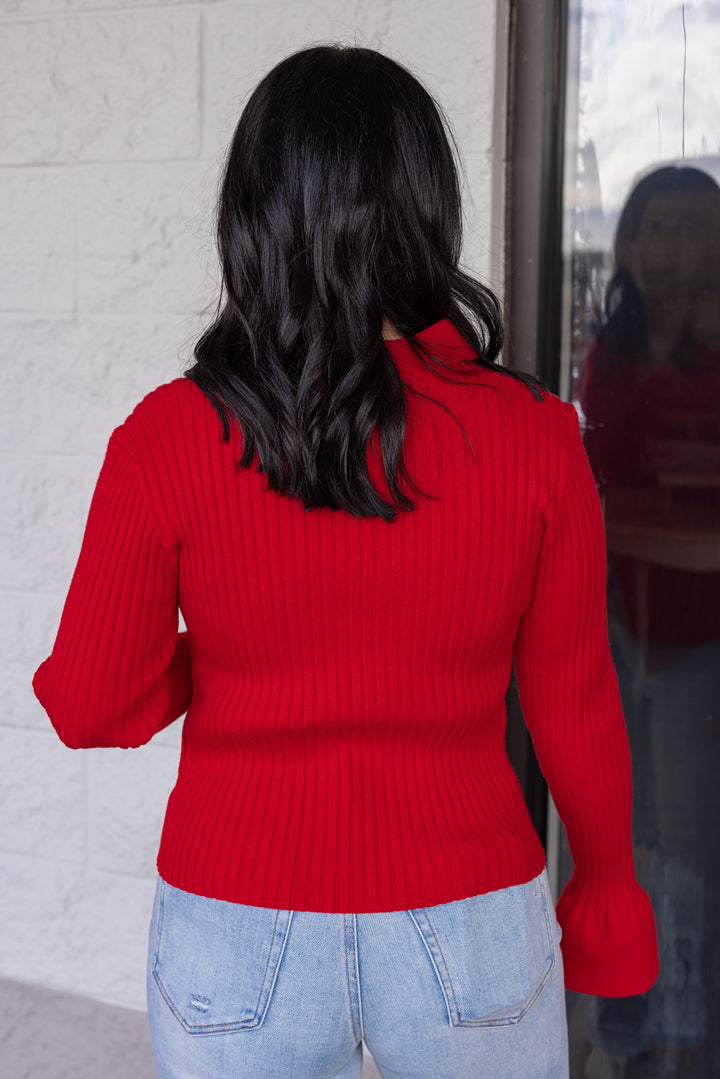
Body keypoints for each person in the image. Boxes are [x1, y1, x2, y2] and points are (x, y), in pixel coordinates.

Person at [32, 44, 658, 1079]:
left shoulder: (167, 435)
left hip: (235, 920)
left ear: (251, 213)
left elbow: (91, 702)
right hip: (469, 915)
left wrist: (214, 661)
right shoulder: (538, 435)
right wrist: (607, 895)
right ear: (428, 207)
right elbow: (575, 705)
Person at [578, 166, 720, 1077]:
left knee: (693, 841)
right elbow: (604, 477)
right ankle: (633, 1032)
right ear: (629, 244)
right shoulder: (613, 345)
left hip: (702, 632)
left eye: (689, 225)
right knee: (635, 834)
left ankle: (688, 1037)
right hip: (623, 619)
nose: (669, 244)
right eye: (654, 226)